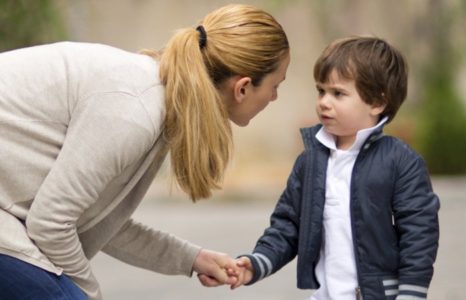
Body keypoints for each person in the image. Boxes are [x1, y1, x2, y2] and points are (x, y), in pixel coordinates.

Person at [0, 3, 289, 300]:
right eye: (275, 85)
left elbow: (98, 220)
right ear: (242, 87)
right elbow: (50, 224)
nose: (275, 96)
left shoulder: (158, 100)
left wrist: (193, 258)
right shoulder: (135, 110)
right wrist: (89, 293)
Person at [213, 36, 440, 299]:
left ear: (377, 103)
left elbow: (419, 233)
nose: (324, 102)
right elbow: (287, 225)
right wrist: (256, 263)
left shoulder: (400, 161)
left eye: (338, 93)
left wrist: (412, 292)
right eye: (321, 91)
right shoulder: (311, 161)